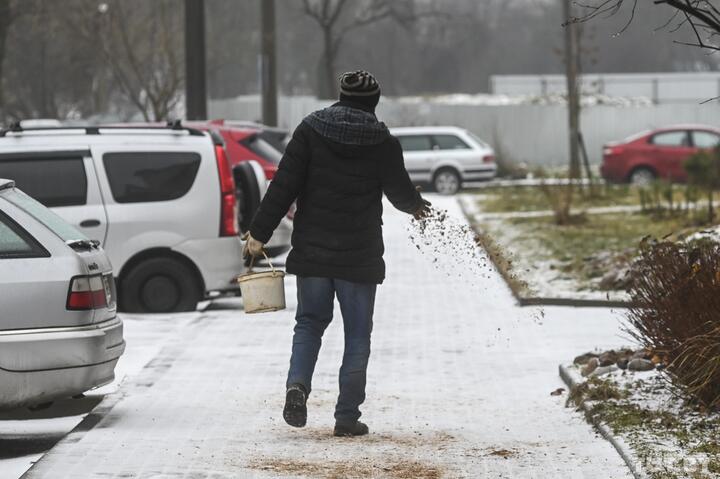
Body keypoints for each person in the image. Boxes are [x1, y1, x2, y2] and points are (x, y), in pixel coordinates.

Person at [243, 70, 431, 437]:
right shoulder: (383, 143)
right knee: (357, 336)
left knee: (310, 324)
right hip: (358, 258)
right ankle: (346, 417)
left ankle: (297, 386)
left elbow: (283, 185)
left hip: (312, 253)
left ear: (341, 96)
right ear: (374, 102)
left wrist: (259, 233)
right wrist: (419, 207)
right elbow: (399, 194)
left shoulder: (310, 130)